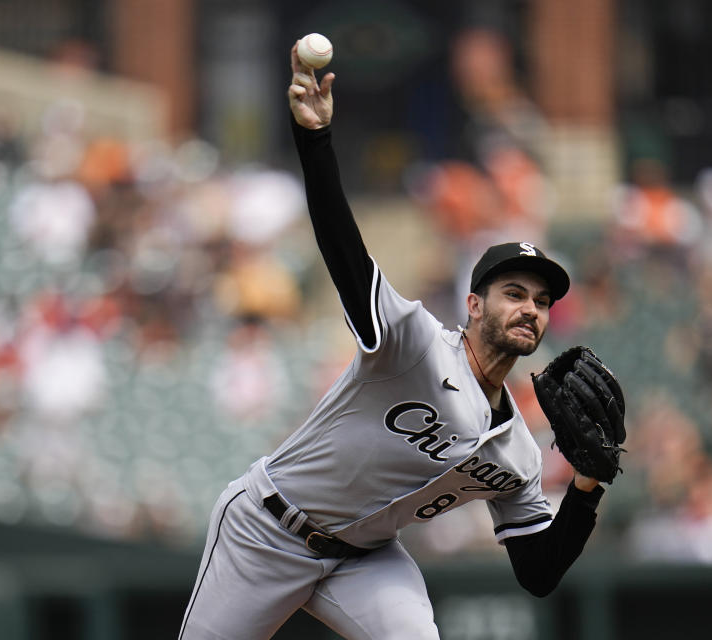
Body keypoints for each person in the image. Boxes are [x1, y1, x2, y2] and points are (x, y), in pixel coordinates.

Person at [178, 41, 608, 640]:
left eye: (541, 300)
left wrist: (586, 489)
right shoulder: (412, 341)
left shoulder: (518, 453)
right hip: (267, 530)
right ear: (474, 302)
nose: (530, 308)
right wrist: (315, 141)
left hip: (368, 558)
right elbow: (343, 251)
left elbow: (537, 573)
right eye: (514, 292)